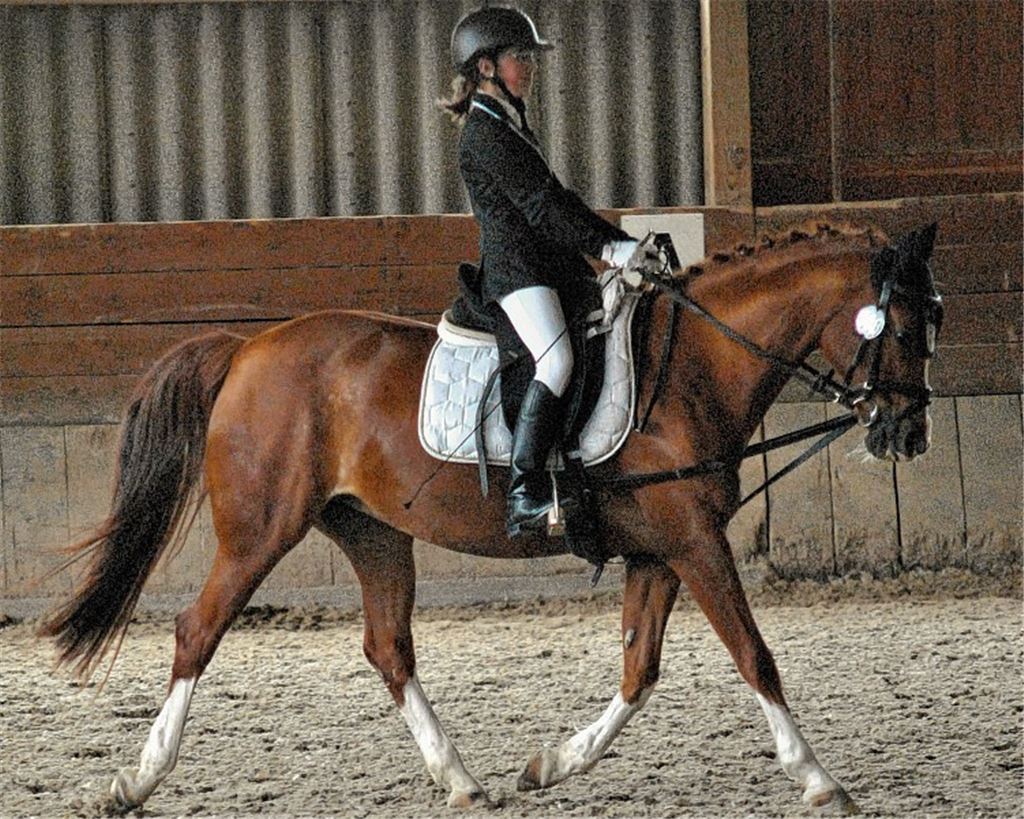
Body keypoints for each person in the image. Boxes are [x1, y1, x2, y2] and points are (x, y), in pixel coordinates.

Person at [442, 5, 658, 538]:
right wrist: (608, 249)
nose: (531, 67)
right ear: (486, 67)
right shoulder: (484, 134)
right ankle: (524, 493)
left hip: (547, 267)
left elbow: (560, 200)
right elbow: (540, 209)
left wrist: (622, 242)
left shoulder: (511, 124)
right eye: (520, 57)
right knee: (556, 359)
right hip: (518, 273)